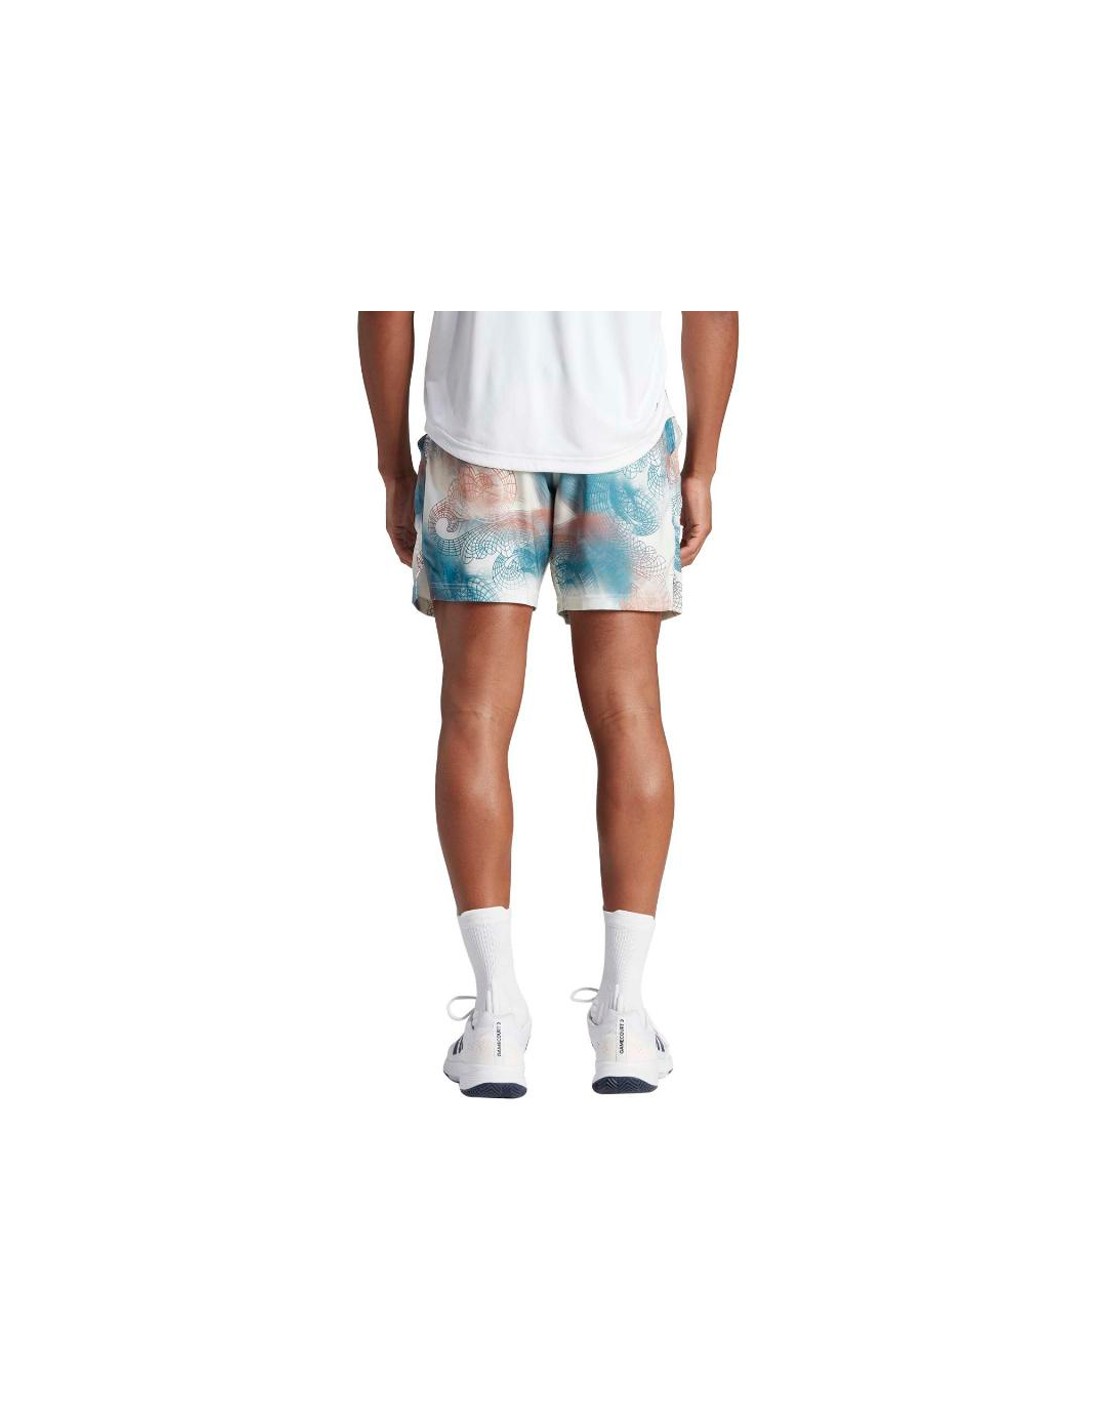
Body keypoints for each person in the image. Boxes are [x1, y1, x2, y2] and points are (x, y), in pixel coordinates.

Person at [357, 311, 739, 1097]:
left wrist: (393, 465)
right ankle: (624, 1017)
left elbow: (384, 302)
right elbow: (712, 302)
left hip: (479, 426)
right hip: (620, 431)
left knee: (475, 714)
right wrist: (701, 465)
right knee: (631, 712)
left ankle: (495, 1017)